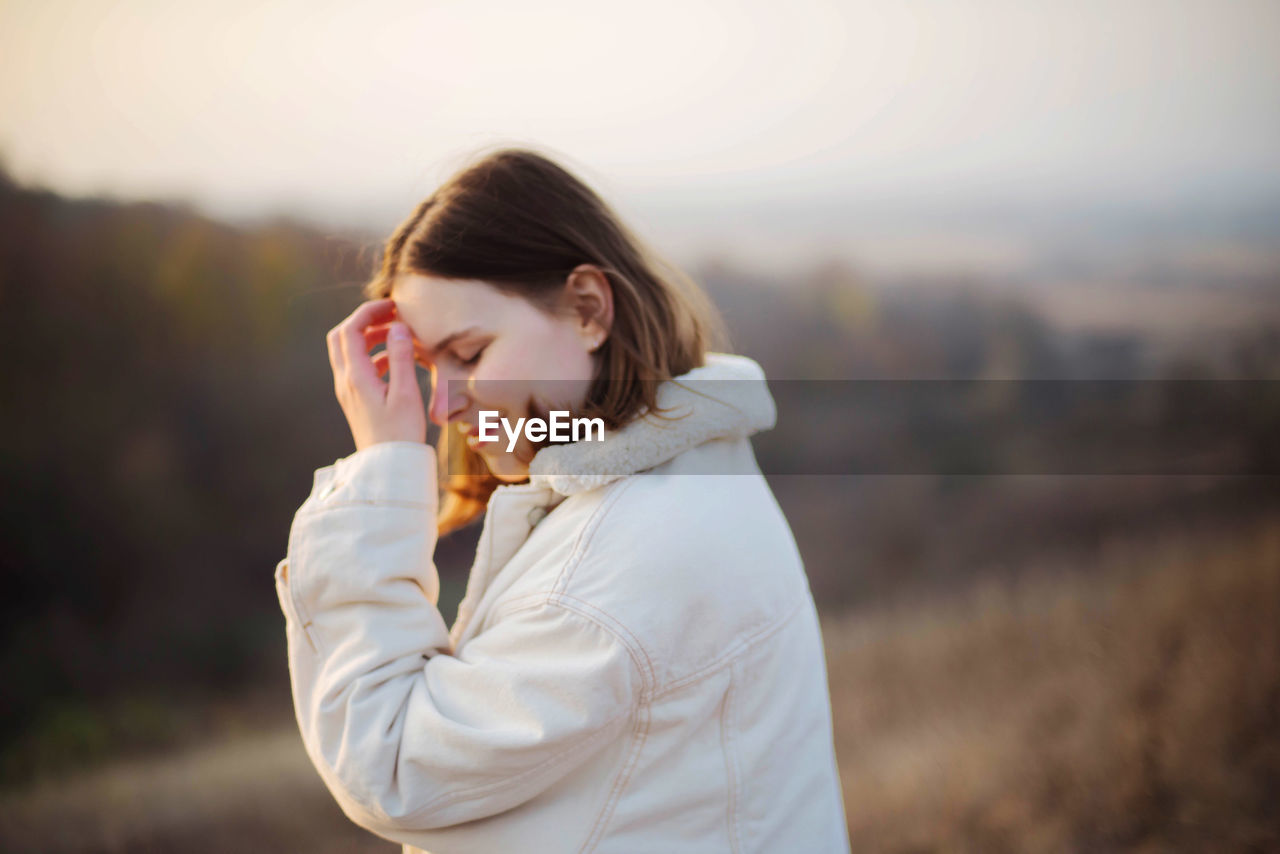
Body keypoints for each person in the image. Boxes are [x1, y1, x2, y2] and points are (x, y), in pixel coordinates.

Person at [274, 146, 850, 852]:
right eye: (429, 368)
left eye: (472, 352)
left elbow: (389, 764)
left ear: (586, 310)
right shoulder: (697, 459)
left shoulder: (607, 576)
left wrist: (381, 472)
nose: (440, 407)